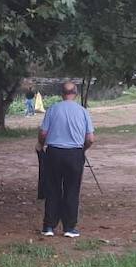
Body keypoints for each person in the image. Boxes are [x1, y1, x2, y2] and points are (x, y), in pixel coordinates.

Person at [35, 81, 94, 238]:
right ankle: (69, 228)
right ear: (75, 93)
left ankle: (48, 226)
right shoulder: (83, 112)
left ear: (62, 93)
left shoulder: (53, 109)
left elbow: (43, 133)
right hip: (74, 154)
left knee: (52, 189)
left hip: (54, 153)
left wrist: (41, 145)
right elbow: (90, 138)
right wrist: (83, 150)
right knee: (72, 190)